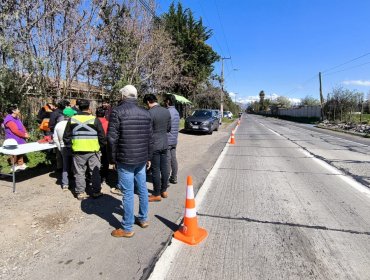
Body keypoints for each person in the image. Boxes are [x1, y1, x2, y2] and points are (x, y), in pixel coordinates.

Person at [107, 85, 153, 238]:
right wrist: (148, 157)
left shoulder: (117, 111)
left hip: (125, 158)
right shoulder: (145, 113)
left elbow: (112, 138)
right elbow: (149, 138)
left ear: (123, 96)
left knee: (127, 193)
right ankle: (143, 219)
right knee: (142, 189)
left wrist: (112, 159)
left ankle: (127, 227)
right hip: (141, 158)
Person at [63, 99, 106, 200]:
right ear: (89, 107)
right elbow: (102, 136)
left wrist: (70, 147)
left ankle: (80, 193)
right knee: (95, 171)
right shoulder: (95, 119)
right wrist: (102, 148)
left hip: (78, 150)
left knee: (79, 172)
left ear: (78, 107)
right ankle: (96, 191)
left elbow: (66, 137)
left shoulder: (72, 119)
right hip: (93, 150)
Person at [143, 93, 171, 202]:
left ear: (148, 102)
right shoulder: (166, 111)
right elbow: (169, 128)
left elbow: (147, 131)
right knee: (164, 168)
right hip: (165, 142)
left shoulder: (149, 113)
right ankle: (164, 190)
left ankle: (156, 193)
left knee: (155, 170)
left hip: (154, 144)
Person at [53, 107, 77, 191]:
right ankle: (76, 182)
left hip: (63, 147)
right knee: (76, 165)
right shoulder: (74, 123)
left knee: (65, 166)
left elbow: (55, 138)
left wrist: (60, 148)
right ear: (71, 115)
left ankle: (65, 184)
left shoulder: (58, 124)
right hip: (74, 147)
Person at [2, 104, 30, 171]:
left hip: (19, 138)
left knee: (20, 151)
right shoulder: (8, 120)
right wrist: (24, 135)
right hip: (12, 139)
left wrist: (26, 133)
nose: (18, 110)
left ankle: (21, 164)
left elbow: (22, 126)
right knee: (13, 153)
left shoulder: (17, 117)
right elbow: (15, 131)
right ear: (13, 111)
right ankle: (13, 166)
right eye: (17, 109)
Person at [164, 94, 180, 184]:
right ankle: (174, 177)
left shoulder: (168, 112)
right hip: (174, 140)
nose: (164, 102)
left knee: (167, 160)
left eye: (165, 100)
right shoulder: (176, 112)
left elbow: (167, 127)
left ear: (168, 101)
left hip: (168, 140)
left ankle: (165, 181)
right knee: (173, 159)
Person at [96, 107, 109, 185]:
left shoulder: (93, 122)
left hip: (95, 144)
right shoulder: (108, 123)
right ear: (104, 115)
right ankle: (104, 177)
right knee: (105, 161)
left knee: (95, 161)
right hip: (105, 144)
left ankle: (95, 176)